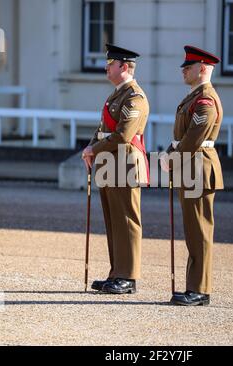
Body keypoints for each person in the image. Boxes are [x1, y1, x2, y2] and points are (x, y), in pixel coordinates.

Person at [82, 44, 149, 294]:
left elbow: (123, 135)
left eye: (111, 64)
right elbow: (102, 129)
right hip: (111, 163)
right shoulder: (116, 95)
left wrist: (94, 149)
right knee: (113, 221)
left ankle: (128, 277)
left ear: (124, 66)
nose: (106, 67)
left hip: (125, 162)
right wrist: (89, 148)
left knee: (127, 220)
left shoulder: (135, 97)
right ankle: (116, 272)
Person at [162, 45, 224, 306]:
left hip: (199, 167)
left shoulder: (205, 100)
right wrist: (169, 153)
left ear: (202, 68)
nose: (183, 70)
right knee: (192, 229)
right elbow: (180, 139)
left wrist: (173, 158)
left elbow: (193, 139)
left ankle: (199, 289)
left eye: (189, 66)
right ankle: (194, 287)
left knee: (199, 231)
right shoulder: (193, 97)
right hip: (190, 166)